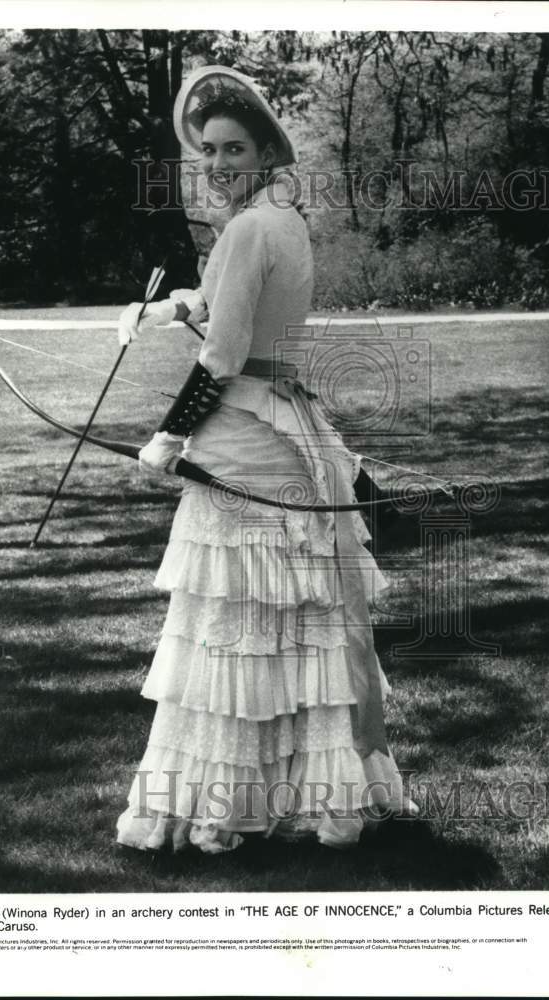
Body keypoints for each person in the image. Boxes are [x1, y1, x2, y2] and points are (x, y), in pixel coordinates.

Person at [115, 66, 417, 855]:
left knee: (239, 624)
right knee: (294, 626)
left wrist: (169, 438)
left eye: (232, 147)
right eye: (205, 149)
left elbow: (220, 357)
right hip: (286, 427)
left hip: (245, 441)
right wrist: (161, 308)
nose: (215, 163)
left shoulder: (249, 225)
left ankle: (231, 805)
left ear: (265, 146)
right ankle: (317, 796)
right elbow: (223, 306)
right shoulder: (278, 213)